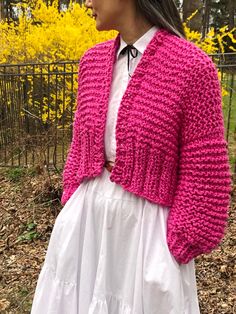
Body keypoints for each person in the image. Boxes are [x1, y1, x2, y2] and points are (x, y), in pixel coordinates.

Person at [31, 0, 232, 313]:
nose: (87, 3)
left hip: (147, 231)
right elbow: (80, 143)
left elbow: (204, 167)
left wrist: (181, 240)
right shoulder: (92, 62)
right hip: (87, 223)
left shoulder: (192, 67)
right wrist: (72, 197)